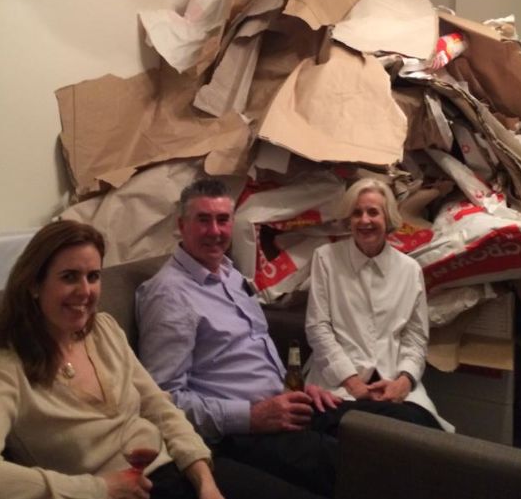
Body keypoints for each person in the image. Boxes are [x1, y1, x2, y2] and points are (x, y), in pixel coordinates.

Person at [135, 177, 440, 498]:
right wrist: (251, 417)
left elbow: (252, 353)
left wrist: (296, 387)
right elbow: (163, 402)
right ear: (182, 226)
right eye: (203, 220)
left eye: (223, 220)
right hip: (245, 430)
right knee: (363, 466)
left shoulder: (227, 272)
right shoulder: (169, 296)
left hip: (290, 402)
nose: (215, 231)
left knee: (408, 423)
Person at [0, 220, 318, 499]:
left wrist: (204, 480)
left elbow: (159, 406)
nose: (85, 291)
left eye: (93, 276)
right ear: (34, 285)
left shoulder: (103, 330)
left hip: (180, 470)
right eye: (69, 277)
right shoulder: (6, 371)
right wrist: (97, 489)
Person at [305, 178, 450, 433]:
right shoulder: (326, 259)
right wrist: (352, 382)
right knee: (364, 431)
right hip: (338, 382)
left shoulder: (409, 270)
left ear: (388, 218)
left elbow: (416, 338)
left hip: (393, 384)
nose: (364, 220)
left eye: (373, 212)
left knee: (418, 433)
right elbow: (318, 329)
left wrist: (403, 382)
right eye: (357, 213)